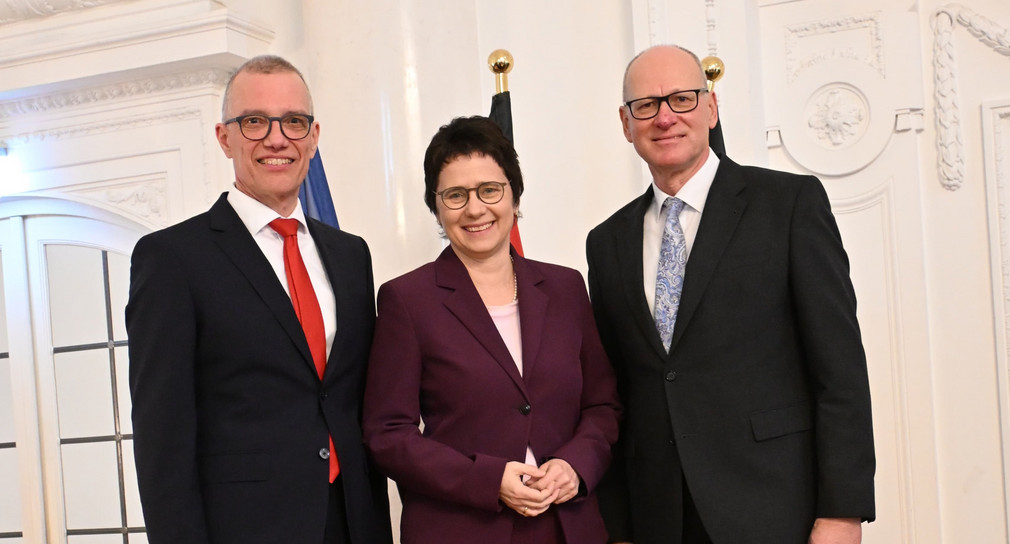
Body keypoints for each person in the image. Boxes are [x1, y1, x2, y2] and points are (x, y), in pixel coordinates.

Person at [586, 45, 875, 544]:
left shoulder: (788, 206)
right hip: (658, 517)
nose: (665, 117)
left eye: (682, 98)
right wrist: (618, 526)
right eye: (646, 105)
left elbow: (840, 372)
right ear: (625, 122)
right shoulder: (607, 242)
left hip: (774, 507)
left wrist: (842, 512)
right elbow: (615, 395)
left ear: (711, 107)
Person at [126, 55, 392, 544]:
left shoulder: (351, 254)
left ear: (313, 137)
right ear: (224, 137)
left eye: (294, 121)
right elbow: (163, 439)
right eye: (254, 122)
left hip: (354, 520)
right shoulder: (172, 259)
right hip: (245, 528)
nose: (277, 138)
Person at [362, 116, 621, 544]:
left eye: (489, 190)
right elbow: (388, 434)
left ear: (514, 196)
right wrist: (487, 478)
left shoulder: (566, 286)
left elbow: (603, 406)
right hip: (462, 527)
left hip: (568, 526)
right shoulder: (406, 300)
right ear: (436, 206)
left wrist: (575, 464)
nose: (475, 208)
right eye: (455, 195)